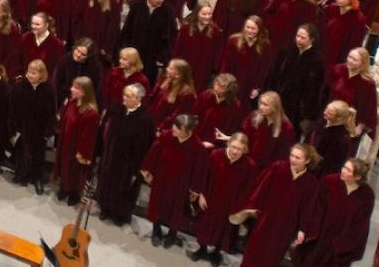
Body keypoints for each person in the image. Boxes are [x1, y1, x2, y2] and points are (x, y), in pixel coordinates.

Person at [230, 142, 323, 267]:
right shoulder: (277, 168)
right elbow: (261, 188)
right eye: (292, 155)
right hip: (266, 219)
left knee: (273, 255)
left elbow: (308, 208)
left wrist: (303, 229)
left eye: (297, 157)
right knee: (254, 250)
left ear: (307, 161)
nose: (293, 159)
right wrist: (251, 207)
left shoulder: (311, 184)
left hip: (286, 227)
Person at [189, 130, 258, 264]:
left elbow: (248, 189)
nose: (235, 151)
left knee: (224, 231)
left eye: (239, 149)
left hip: (231, 204)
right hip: (211, 199)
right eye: (233, 147)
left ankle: (216, 252)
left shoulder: (249, 166)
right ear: (228, 144)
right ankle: (202, 249)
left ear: (244, 150)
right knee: (205, 226)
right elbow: (205, 176)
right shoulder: (216, 155)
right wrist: (202, 194)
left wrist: (240, 209)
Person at [142, 114, 208, 249]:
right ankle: (156, 231)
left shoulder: (198, 147)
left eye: (178, 128)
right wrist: (148, 171)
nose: (174, 129)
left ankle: (172, 234)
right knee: (157, 205)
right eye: (174, 125)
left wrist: (195, 189)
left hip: (181, 185)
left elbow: (199, 169)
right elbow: (154, 152)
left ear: (188, 131)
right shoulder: (166, 136)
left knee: (177, 212)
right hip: (162, 179)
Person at [294, 159, 375, 267]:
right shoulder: (330, 181)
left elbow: (361, 224)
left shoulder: (367, 196)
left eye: (348, 170)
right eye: (344, 167)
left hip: (340, 244)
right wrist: (309, 231)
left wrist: (340, 245)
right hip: (321, 237)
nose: (343, 171)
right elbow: (317, 207)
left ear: (358, 177)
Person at [96, 83, 156, 225]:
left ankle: (120, 215)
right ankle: (105, 208)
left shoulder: (146, 119)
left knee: (124, 189)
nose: (124, 98)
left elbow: (145, 145)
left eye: (128, 96)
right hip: (111, 157)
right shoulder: (116, 110)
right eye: (124, 95)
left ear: (138, 98)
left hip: (129, 163)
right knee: (107, 183)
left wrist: (138, 169)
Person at [9, 59, 57, 194]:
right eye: (29, 72)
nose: (29, 75)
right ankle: (22, 174)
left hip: (39, 129)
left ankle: (38, 179)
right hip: (22, 127)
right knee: (21, 152)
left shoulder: (49, 90)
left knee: (38, 155)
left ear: (41, 75)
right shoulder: (19, 87)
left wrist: (48, 131)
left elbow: (51, 111)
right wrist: (13, 129)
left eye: (34, 73)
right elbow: (12, 109)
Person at [54, 75, 101, 204]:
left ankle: (74, 193)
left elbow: (89, 137)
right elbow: (64, 120)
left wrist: (82, 153)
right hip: (66, 144)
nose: (72, 89)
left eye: (76, 88)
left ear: (84, 92)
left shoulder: (91, 113)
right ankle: (64, 188)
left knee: (75, 172)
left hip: (77, 148)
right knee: (64, 167)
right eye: (73, 86)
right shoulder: (71, 102)